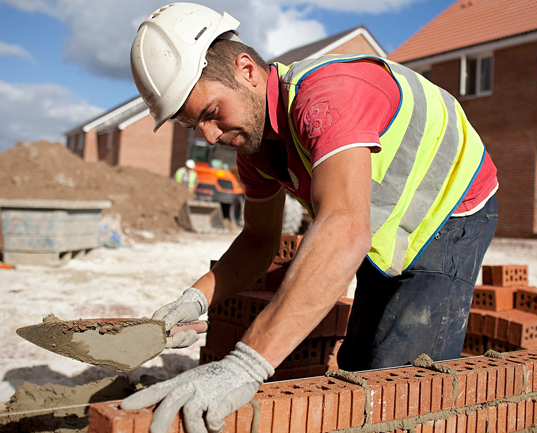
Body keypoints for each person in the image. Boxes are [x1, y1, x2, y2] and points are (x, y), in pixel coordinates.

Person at [121, 3, 499, 433]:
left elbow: (343, 227)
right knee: (360, 367)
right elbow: (258, 241)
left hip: (455, 204)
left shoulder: (325, 96)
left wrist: (247, 363)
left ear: (246, 69)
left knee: (400, 387)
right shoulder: (255, 148)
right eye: (195, 128)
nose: (210, 137)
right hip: (386, 225)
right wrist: (194, 300)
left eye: (210, 114)